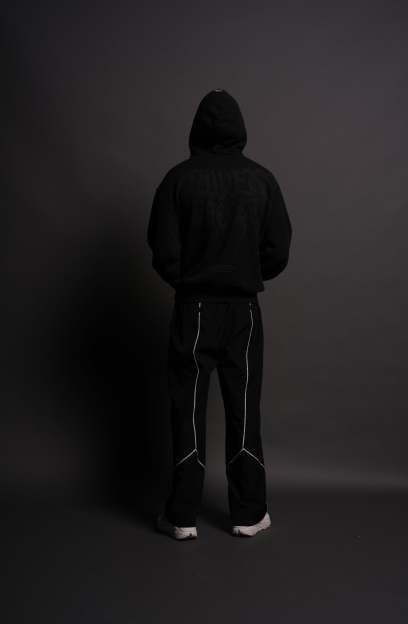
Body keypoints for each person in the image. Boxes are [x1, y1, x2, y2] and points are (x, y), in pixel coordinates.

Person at [147, 88, 292, 540]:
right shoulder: (262, 180)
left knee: (186, 409)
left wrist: (191, 281)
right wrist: (244, 274)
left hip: (193, 308)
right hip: (243, 311)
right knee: (243, 408)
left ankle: (182, 516)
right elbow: (278, 250)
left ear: (196, 129)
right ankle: (248, 514)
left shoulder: (177, 180)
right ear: (239, 128)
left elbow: (163, 251)